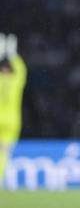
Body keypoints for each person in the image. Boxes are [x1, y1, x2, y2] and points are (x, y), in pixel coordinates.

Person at [0, 33, 26, 188]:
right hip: (11, 121)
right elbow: (21, 70)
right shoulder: (15, 81)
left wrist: (1, 52)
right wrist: (12, 54)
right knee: (3, 152)